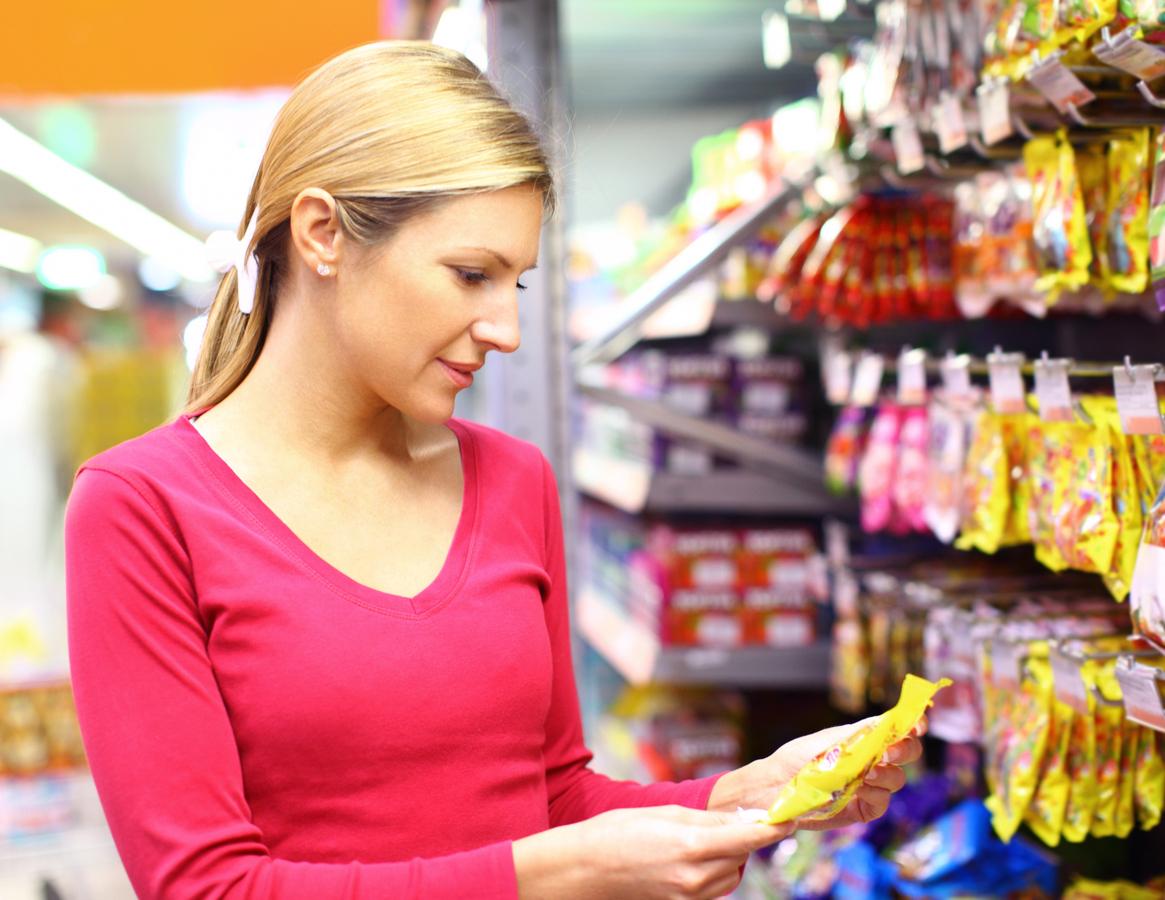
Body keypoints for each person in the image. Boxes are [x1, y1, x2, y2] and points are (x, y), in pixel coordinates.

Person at [65, 41, 921, 899]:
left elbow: (550, 797)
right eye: (471, 274)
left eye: (514, 283)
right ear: (322, 232)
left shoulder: (512, 480)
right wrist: (557, 874)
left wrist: (737, 797)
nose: (504, 330)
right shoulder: (142, 509)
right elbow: (205, 889)